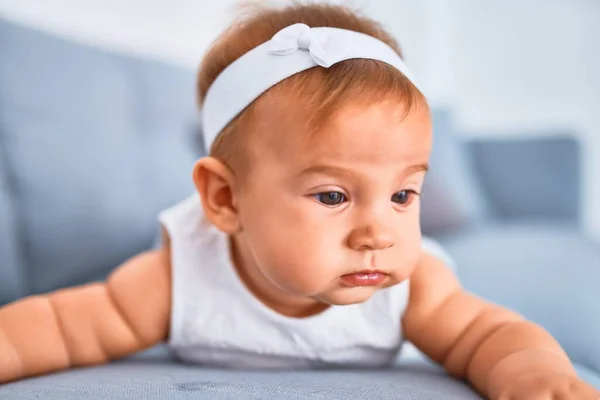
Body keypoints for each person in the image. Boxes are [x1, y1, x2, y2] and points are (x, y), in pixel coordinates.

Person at [0, 3, 597, 399]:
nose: (378, 232)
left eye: (402, 194)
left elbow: (489, 334)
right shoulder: (178, 275)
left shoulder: (411, 286)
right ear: (225, 198)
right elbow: (59, 326)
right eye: (334, 195)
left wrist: (536, 373)